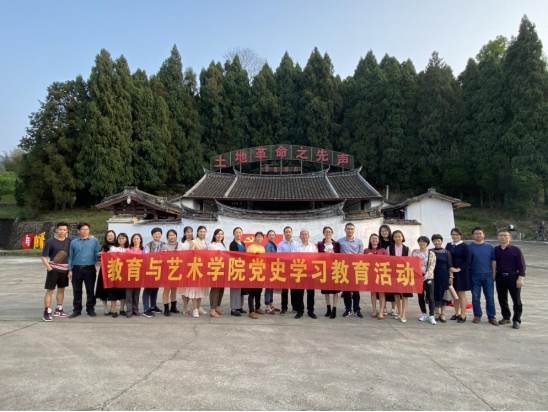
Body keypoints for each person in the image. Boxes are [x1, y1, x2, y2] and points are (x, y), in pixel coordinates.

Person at [68, 223, 101, 319]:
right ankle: (77, 310)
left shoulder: (94, 241)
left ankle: (90, 309)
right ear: (78, 231)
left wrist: (100, 255)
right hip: (76, 268)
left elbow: (96, 253)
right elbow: (70, 256)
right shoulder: (73, 242)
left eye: (86, 229)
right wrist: (69, 269)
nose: (85, 231)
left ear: (89, 230)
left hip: (90, 268)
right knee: (77, 290)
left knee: (90, 290)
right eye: (82, 229)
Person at [495, 230, 526, 330]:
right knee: (502, 298)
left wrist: (520, 278)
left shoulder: (516, 250)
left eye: (505, 235)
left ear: (510, 237)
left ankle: (516, 320)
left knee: (516, 300)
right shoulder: (495, 250)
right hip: (500, 277)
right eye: (501, 235)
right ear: (498, 237)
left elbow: (521, 265)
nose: (503, 237)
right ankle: (506, 317)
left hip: (513, 277)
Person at [41, 222, 72, 322]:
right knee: (50, 290)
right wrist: (50, 268)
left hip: (65, 270)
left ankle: (58, 309)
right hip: (53, 269)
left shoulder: (69, 241)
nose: (62, 231)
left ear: (67, 231)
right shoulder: (50, 242)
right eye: (60, 229)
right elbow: (43, 257)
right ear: (56, 230)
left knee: (61, 290)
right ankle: (46, 312)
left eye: (64, 230)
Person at [469, 227, 498, 326]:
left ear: (484, 235)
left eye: (480, 233)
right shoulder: (469, 247)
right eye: (476, 233)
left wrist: (493, 274)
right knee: (475, 297)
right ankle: (477, 315)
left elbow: (493, 261)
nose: (478, 235)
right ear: (473, 235)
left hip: (488, 275)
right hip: (474, 275)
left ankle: (491, 316)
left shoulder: (489, 247)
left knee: (490, 297)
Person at [446, 228, 472, 324]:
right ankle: (457, 313)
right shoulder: (449, 245)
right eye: (453, 234)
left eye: (457, 234)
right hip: (451, 272)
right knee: (454, 293)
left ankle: (463, 315)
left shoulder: (465, 246)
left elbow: (468, 260)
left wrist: (458, 269)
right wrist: (450, 268)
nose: (455, 236)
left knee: (461, 294)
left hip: (461, 272)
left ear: (460, 235)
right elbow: (446, 257)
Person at [339, 223, 364, 319]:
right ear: (345, 230)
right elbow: (337, 254)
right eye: (348, 229)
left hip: (355, 269)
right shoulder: (340, 241)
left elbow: (361, 254)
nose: (350, 230)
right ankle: (348, 309)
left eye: (351, 229)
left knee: (356, 291)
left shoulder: (359, 241)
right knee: (346, 291)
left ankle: (357, 310)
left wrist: (353, 259)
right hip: (344, 269)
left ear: (354, 230)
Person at [387, 230, 412, 323]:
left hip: (404, 273)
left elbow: (410, 261)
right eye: (395, 237)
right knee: (396, 293)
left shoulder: (407, 249)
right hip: (393, 273)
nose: (397, 238)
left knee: (405, 294)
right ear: (393, 238)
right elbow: (387, 260)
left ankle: (404, 313)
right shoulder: (389, 248)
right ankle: (399, 311)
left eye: (399, 236)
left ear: (402, 237)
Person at [412, 236, 437, 325]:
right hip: (418, 276)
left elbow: (432, 266)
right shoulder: (415, 252)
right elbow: (411, 263)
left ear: (427, 243)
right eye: (420, 241)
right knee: (420, 296)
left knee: (430, 296)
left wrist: (426, 276)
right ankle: (423, 313)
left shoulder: (431, 253)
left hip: (428, 277)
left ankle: (432, 315)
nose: (422, 243)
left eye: (424, 242)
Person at [317, 227, 341, 320]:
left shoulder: (336, 244)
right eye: (326, 232)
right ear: (323, 233)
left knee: (335, 290)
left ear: (332, 233)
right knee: (326, 290)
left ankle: (334, 309)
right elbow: (317, 256)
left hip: (334, 268)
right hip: (324, 269)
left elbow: (340, 256)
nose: (328, 233)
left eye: (330, 232)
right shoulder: (320, 244)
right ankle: (328, 308)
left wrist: (334, 254)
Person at [142, 228, 165, 318]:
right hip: (150, 270)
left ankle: (153, 306)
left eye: (159, 233)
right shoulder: (148, 245)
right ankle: (146, 309)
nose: (157, 235)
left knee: (155, 289)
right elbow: (145, 257)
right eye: (155, 234)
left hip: (159, 270)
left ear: (161, 235)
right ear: (152, 235)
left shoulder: (164, 245)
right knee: (148, 289)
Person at [295, 230, 318, 320]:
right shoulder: (296, 247)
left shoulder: (313, 247)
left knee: (311, 293)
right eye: (302, 234)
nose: (304, 236)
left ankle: (310, 311)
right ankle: (300, 311)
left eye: (306, 234)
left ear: (309, 236)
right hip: (300, 272)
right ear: (300, 237)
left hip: (310, 272)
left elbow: (316, 259)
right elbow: (292, 258)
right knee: (299, 293)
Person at [188, 226, 210, 318]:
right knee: (194, 288)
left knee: (201, 289)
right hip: (196, 267)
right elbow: (190, 253)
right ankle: (195, 309)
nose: (202, 233)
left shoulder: (207, 243)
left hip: (204, 268)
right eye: (200, 231)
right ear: (197, 232)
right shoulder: (194, 242)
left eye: (204, 232)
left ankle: (199, 307)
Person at [277, 226, 300, 316]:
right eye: (286, 232)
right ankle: (284, 308)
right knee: (284, 290)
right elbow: (279, 257)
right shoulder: (280, 244)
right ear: (284, 233)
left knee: (295, 289)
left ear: (292, 233)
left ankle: (295, 306)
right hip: (285, 269)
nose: (288, 233)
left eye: (289, 232)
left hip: (295, 269)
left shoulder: (297, 244)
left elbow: (299, 256)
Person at [161, 229, 184, 317]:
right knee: (167, 289)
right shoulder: (164, 246)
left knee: (174, 289)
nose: (172, 237)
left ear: (176, 236)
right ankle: (166, 308)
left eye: (174, 235)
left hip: (177, 270)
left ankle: (173, 307)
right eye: (170, 235)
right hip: (167, 271)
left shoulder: (180, 245)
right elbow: (162, 260)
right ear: (167, 237)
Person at [364, 233, 387, 321]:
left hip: (381, 273)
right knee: (373, 292)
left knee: (381, 293)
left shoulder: (383, 250)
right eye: (372, 238)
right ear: (370, 240)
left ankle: (381, 311)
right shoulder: (366, 250)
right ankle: (374, 309)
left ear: (378, 240)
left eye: (376, 238)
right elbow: (363, 261)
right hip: (371, 273)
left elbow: (387, 260)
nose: (374, 240)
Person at [431, 234, 452, 323]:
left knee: (444, 294)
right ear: (432, 242)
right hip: (433, 275)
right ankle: (437, 313)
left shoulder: (446, 252)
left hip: (444, 275)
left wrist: (450, 276)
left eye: (438, 240)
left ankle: (443, 314)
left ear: (442, 241)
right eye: (435, 241)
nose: (437, 242)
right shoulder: (430, 251)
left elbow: (449, 265)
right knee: (434, 293)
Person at [108, 233, 130, 318]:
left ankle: (122, 309)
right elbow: (108, 258)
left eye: (123, 238)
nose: (121, 240)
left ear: (126, 239)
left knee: (123, 292)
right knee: (113, 292)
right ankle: (114, 310)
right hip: (114, 273)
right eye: (119, 238)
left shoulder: (128, 249)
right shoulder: (113, 248)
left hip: (124, 274)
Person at [96, 230, 116, 315]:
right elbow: (99, 258)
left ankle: (112, 307)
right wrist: (99, 254)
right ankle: (105, 308)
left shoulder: (117, 246)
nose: (110, 237)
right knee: (103, 289)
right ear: (106, 237)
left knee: (113, 290)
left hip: (114, 270)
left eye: (111, 235)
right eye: (108, 236)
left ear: (114, 236)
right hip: (104, 270)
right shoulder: (103, 247)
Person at [247, 232, 266, 319]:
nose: (259, 238)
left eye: (261, 237)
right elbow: (247, 259)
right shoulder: (250, 247)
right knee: (252, 292)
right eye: (258, 237)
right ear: (255, 238)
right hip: (253, 272)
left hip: (260, 272)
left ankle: (257, 307)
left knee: (259, 291)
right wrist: (255, 256)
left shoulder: (263, 248)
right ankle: (251, 311)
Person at [208, 229, 226, 318]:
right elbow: (208, 257)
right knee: (215, 289)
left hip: (222, 269)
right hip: (214, 269)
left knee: (221, 288)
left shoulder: (223, 245)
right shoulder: (211, 245)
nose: (220, 236)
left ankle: (217, 306)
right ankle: (212, 308)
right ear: (215, 235)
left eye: (221, 234)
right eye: (218, 234)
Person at [229, 227, 247, 317]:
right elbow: (234, 256)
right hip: (235, 268)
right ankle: (233, 308)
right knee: (235, 289)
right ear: (234, 234)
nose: (238, 234)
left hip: (242, 268)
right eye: (236, 232)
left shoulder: (243, 243)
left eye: (240, 232)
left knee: (241, 289)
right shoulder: (232, 244)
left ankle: (239, 306)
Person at [379, 225, 397, 317]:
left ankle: (394, 308)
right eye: (382, 231)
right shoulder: (379, 242)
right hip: (381, 268)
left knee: (393, 289)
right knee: (383, 289)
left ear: (389, 232)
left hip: (393, 268)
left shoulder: (393, 242)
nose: (384, 232)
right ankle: (384, 308)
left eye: (386, 231)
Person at [125, 234, 143, 318]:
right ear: (132, 240)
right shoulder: (128, 250)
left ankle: (135, 308)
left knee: (136, 292)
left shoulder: (143, 250)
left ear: (140, 240)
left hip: (139, 274)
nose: (136, 240)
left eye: (137, 238)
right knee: (129, 293)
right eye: (134, 239)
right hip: (129, 273)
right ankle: (129, 309)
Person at [178, 227, 195, 316]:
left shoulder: (195, 242)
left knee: (190, 288)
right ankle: (185, 306)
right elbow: (179, 255)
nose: (189, 233)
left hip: (193, 267)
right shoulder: (181, 243)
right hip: (184, 267)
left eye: (191, 232)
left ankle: (187, 305)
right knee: (184, 288)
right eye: (187, 232)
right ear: (184, 233)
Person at [264, 230, 279, 315]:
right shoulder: (267, 245)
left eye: (273, 235)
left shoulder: (274, 245)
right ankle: (267, 306)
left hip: (274, 268)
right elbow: (268, 257)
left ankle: (271, 304)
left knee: (271, 287)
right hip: (269, 268)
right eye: (270, 235)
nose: (272, 236)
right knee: (268, 287)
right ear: (267, 236)